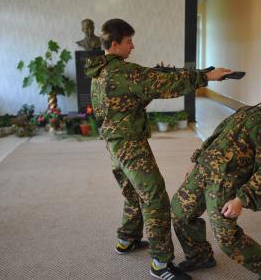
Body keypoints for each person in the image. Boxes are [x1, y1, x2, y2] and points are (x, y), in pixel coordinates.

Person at [84, 18, 231, 280]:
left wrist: (157, 76)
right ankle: (160, 264)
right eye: (129, 41)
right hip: (130, 144)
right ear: (115, 44)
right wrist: (206, 76)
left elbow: (133, 96)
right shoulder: (123, 72)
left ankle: (126, 240)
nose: (133, 46)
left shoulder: (100, 71)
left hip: (114, 144)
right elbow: (165, 86)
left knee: (132, 193)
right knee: (155, 199)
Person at [170, 71, 261, 280]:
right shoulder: (250, 110)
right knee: (179, 212)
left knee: (226, 237)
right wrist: (197, 161)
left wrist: (240, 199)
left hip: (225, 183)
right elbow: (218, 134)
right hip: (203, 172)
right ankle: (199, 256)